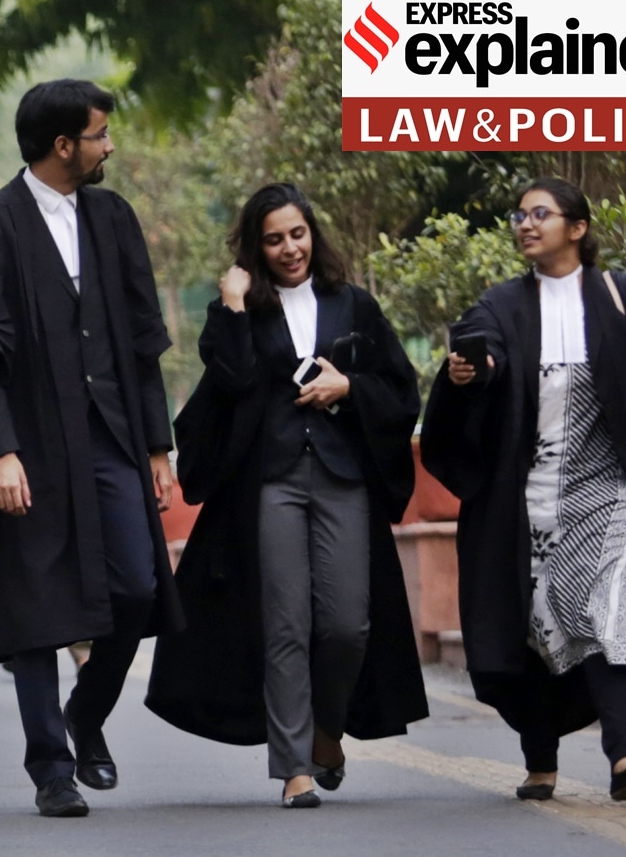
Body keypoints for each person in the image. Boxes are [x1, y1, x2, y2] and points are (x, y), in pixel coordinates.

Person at [0, 79, 183, 817]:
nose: (109, 145)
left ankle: (85, 715)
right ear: (64, 145)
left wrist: (158, 444)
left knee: (138, 586)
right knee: (36, 604)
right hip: (25, 447)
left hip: (109, 436)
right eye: (99, 134)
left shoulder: (112, 215)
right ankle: (51, 767)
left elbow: (142, 336)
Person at [421, 178, 626, 802]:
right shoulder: (503, 304)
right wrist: (471, 370)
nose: (524, 224)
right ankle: (540, 758)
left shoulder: (620, 294)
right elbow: (480, 348)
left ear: (577, 227)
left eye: (540, 214)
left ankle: (625, 755)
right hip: (531, 498)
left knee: (606, 610)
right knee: (539, 629)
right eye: (519, 215)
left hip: (613, 489)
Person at [146, 183, 428, 809]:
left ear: (312, 233)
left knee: (347, 624)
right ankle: (294, 768)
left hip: (342, 477)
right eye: (274, 238)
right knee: (285, 625)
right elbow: (235, 378)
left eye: (297, 233)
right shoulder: (244, 307)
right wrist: (232, 304)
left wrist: (347, 386)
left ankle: (328, 729)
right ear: (257, 247)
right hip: (269, 479)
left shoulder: (353, 304)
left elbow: (399, 389)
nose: (289, 247)